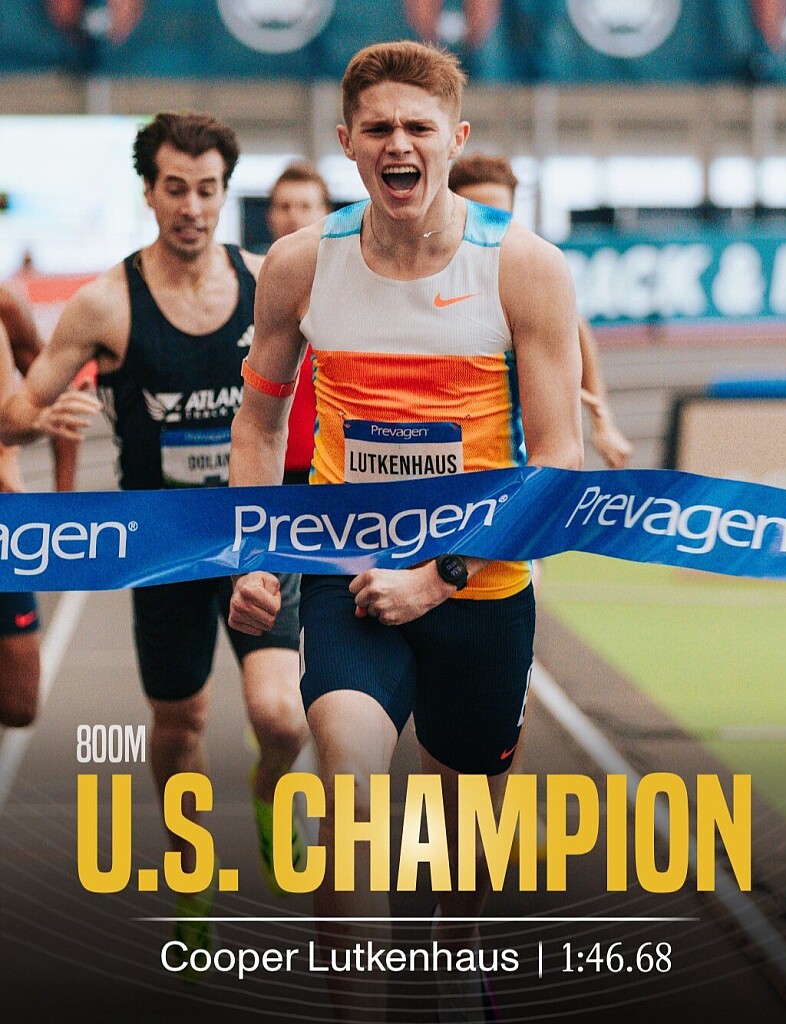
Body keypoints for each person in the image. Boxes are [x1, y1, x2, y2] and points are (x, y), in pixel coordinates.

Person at [227, 41, 583, 1022]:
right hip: (348, 581)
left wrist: (440, 575)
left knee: (462, 847)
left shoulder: (524, 268)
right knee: (345, 776)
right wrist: (255, 556)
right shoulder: (301, 265)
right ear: (345, 142)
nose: (398, 144)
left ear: (453, 139)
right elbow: (257, 425)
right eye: (377, 127)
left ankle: (453, 974)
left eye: (418, 127)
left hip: (481, 592)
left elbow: (558, 463)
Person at [0, 113, 309, 945]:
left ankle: (271, 791)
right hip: (162, 546)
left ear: (225, 193)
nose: (193, 208)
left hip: (254, 535)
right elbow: (14, 412)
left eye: (208, 190)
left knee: (283, 716)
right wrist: (40, 418)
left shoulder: (268, 282)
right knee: (181, 727)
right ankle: (191, 877)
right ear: (149, 192)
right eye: (176, 189)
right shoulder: (107, 303)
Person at [448, 153, 633, 470]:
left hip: (505, 462)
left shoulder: (523, 272)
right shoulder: (431, 270)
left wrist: (604, 424)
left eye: (498, 215)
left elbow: (575, 327)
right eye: (477, 214)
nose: (487, 227)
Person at [0, 285, 79, 726]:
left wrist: (63, 512)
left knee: (20, 704)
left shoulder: (6, 308)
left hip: (4, 527)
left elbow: (60, 400)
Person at [265, 161, 332, 485]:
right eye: (284, 206)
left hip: (328, 469)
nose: (293, 216)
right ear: (270, 216)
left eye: (305, 206)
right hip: (270, 466)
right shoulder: (250, 286)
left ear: (326, 213)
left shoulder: (350, 286)